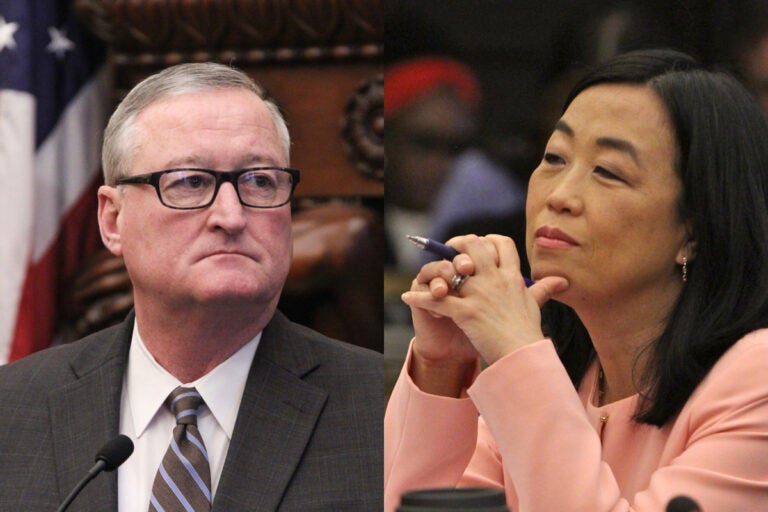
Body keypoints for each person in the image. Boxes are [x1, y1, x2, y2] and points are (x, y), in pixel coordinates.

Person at [384, 49, 768, 511]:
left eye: (607, 172)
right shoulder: (556, 377)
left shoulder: (756, 380)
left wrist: (515, 349)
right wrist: (443, 365)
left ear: (695, 232)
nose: (560, 195)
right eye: (554, 158)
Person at [0, 62, 383, 511]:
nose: (231, 216)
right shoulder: (12, 412)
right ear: (112, 220)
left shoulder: (378, 409)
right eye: (190, 182)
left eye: (259, 181)